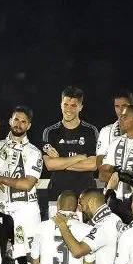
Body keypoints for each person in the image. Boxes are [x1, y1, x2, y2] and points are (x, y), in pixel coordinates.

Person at [0, 105, 44, 264]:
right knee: (5, 257)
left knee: (31, 258)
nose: (19, 124)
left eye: (23, 121)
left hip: (26, 212)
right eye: (16, 119)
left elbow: (27, 184)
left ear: (29, 126)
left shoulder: (34, 152)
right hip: (2, 210)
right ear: (10, 121)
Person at [42, 86, 99, 216]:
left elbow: (93, 164)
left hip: (84, 199)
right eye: (66, 104)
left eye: (73, 105)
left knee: (83, 235)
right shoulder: (50, 132)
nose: (69, 109)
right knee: (55, 235)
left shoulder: (91, 131)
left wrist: (61, 163)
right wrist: (80, 157)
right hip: (56, 195)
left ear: (81, 107)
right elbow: (50, 165)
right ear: (60, 105)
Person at [96, 90, 133, 170]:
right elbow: (100, 162)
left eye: (124, 106)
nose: (120, 110)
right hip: (112, 180)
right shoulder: (105, 131)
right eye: (117, 106)